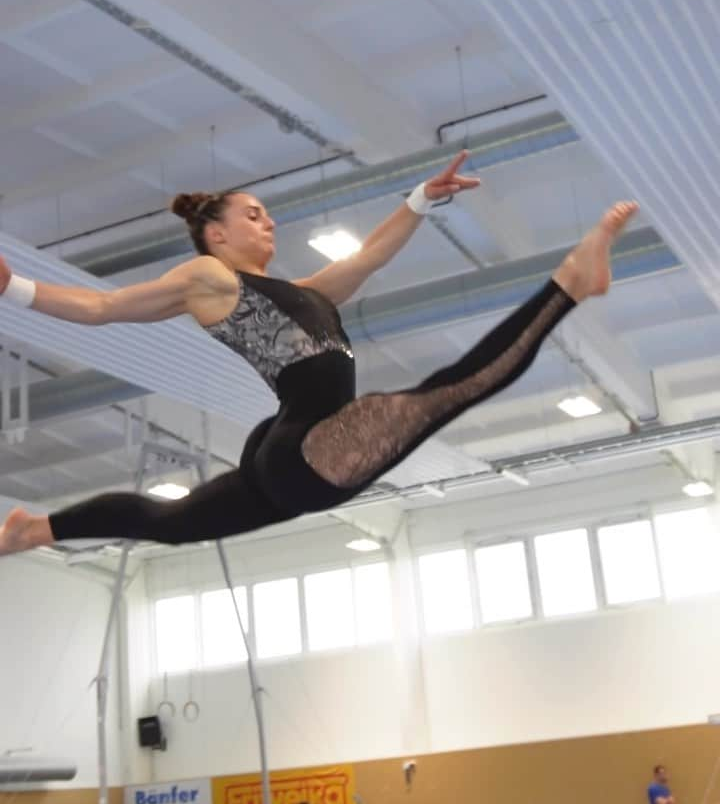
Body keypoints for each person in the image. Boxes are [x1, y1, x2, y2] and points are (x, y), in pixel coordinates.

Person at [0, 151, 637, 554]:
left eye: (268, 214)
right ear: (216, 234)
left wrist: (420, 198)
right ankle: (572, 282)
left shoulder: (305, 292)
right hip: (305, 452)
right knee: (441, 395)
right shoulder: (209, 278)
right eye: (253, 215)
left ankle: (37, 530)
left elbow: (369, 255)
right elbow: (102, 309)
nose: (268, 222)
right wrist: (14, 287)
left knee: (174, 522)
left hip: (295, 454)